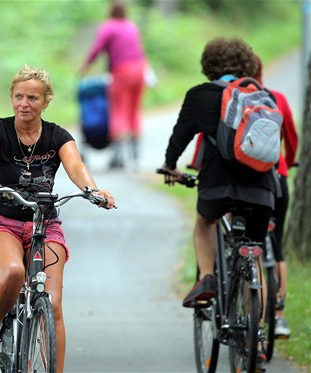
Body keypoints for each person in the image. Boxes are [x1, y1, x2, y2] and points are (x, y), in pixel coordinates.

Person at [0, 65, 116, 373]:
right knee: (11, 272)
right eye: (19, 96)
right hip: (0, 219)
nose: (24, 103)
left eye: (33, 97)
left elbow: (75, 165)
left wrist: (93, 190)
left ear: (46, 101)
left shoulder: (57, 135)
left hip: (44, 224)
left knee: (54, 303)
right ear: (11, 97)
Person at [161, 37, 275, 366]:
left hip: (217, 187)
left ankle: (207, 277)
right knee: (254, 250)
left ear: (208, 65)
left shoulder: (200, 95)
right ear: (247, 65)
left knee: (204, 222)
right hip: (261, 189)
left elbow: (180, 136)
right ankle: (260, 335)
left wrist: (170, 166)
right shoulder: (261, 95)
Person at [253, 57, 299, 339]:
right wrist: (289, 163)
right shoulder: (277, 98)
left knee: (248, 244)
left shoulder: (231, 100)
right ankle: (279, 317)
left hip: (247, 182)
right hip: (278, 177)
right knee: (277, 246)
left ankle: (252, 320)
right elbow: (292, 141)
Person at [79, 0, 147, 169]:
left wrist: (85, 67)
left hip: (121, 72)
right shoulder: (131, 26)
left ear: (111, 9)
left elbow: (97, 49)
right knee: (133, 111)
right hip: (140, 70)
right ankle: (136, 157)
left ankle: (120, 156)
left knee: (119, 111)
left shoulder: (108, 26)